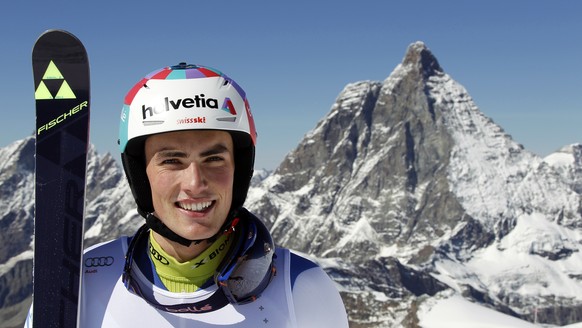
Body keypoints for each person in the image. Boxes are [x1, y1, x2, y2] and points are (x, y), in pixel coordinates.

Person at [25, 63, 348, 327]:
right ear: (141, 175)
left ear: (239, 170)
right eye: (171, 161)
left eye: (214, 159)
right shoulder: (77, 278)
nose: (195, 183)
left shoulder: (302, 286)